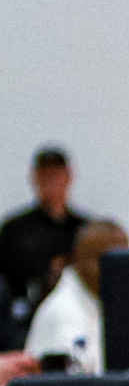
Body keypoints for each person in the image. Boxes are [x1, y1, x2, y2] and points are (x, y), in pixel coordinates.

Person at [0, 146, 85, 348]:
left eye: (56, 175)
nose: (51, 182)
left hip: (76, 315)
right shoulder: (15, 229)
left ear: (68, 177)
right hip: (24, 320)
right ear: (35, 178)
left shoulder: (84, 230)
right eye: (45, 175)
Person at [24, 219, 124, 374]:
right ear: (78, 257)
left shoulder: (98, 301)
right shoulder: (64, 312)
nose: (115, 271)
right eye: (102, 260)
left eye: (122, 262)